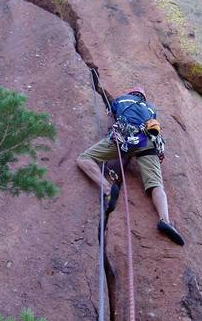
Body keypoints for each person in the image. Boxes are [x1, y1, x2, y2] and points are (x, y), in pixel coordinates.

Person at [77, 86, 184, 245]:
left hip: (125, 138)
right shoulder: (150, 108)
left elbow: (111, 112)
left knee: (84, 159)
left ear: (131, 93)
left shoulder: (121, 99)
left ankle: (107, 189)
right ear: (143, 97)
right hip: (147, 142)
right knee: (156, 185)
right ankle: (165, 220)